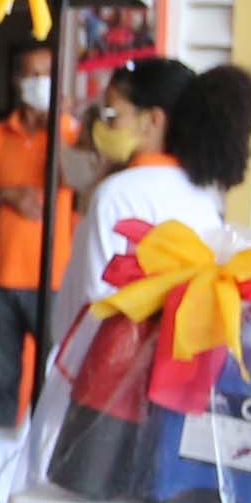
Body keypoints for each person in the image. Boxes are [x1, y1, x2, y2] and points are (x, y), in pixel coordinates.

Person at [0, 39, 75, 424]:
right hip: (0, 277)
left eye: (45, 75)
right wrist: (6, 196)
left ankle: (43, 461)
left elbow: (76, 180)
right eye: (31, 74)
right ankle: (1, 465)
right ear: (16, 80)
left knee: (55, 374)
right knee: (3, 379)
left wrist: (57, 123)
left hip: (51, 278)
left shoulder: (71, 132)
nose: (38, 82)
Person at [57, 54, 211, 322]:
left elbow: (96, 302)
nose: (103, 127)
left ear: (153, 120)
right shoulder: (201, 196)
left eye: (112, 115)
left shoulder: (117, 195)